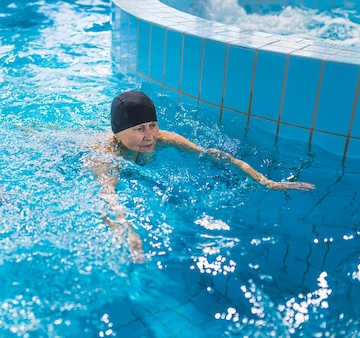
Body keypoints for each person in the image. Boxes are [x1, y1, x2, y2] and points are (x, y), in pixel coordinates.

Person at [91, 90, 315, 262]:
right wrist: (127, 231)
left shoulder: (165, 139)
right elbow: (107, 195)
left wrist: (267, 182)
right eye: (139, 129)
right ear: (118, 133)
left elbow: (214, 156)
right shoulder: (105, 157)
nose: (150, 135)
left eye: (152, 125)